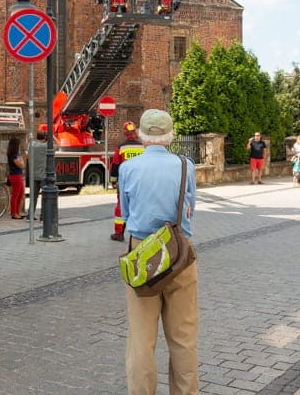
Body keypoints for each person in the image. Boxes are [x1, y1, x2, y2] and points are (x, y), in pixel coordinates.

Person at [119, 109, 198, 394]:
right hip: (179, 252)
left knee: (141, 340)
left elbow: (126, 214)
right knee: (183, 338)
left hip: (143, 255)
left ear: (140, 135)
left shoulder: (128, 168)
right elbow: (189, 211)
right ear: (171, 136)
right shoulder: (186, 165)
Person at [109, 121, 144, 241]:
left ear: (124, 132)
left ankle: (119, 233)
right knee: (139, 206)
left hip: (125, 182)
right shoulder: (142, 147)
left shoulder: (121, 147)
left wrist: (113, 181)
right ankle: (138, 233)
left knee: (121, 207)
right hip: (140, 182)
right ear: (135, 132)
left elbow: (115, 165)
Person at [27, 131, 47, 221]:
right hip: (43, 175)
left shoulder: (31, 145)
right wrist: (52, 137)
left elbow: (29, 140)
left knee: (33, 197)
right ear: (45, 138)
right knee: (45, 197)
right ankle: (43, 216)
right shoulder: (45, 146)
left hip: (33, 175)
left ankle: (30, 215)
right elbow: (58, 145)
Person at [6, 137, 26, 219]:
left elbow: (23, 165)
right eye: (18, 144)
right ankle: (14, 213)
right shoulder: (13, 155)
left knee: (21, 194)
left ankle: (18, 212)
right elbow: (21, 165)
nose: (19, 146)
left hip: (18, 175)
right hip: (15, 175)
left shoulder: (16, 154)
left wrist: (21, 161)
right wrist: (21, 161)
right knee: (15, 195)